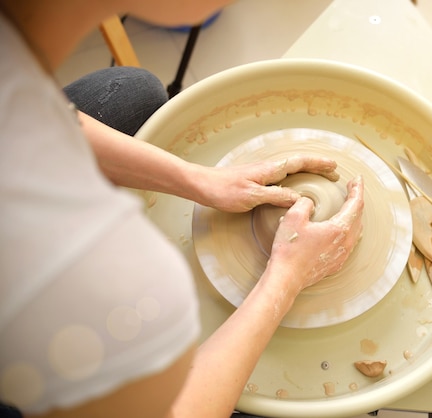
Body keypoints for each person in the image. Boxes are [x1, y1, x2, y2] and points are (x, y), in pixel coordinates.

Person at [0, 0, 365, 417]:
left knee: (134, 92)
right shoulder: (91, 280)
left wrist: (198, 178)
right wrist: (286, 278)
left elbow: (42, 118)